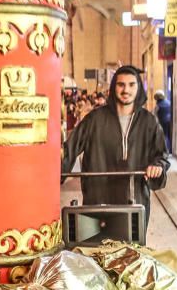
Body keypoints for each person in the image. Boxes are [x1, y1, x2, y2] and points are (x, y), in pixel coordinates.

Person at [64, 65, 169, 224]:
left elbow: (161, 155)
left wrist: (157, 166)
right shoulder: (94, 120)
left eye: (131, 85)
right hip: (98, 201)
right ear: (114, 87)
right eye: (121, 84)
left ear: (138, 88)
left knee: (132, 248)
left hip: (135, 200)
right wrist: (51, 168)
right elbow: (69, 150)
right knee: (96, 248)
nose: (126, 90)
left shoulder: (149, 122)